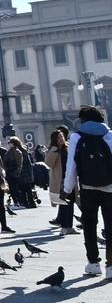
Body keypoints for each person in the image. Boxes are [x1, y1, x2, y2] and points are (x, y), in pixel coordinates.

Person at [63, 106, 112, 277]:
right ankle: (111, 266)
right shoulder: (109, 134)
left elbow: (71, 166)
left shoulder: (76, 137)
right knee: (111, 225)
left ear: (83, 120)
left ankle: (93, 263)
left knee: (89, 225)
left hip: (87, 187)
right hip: (109, 188)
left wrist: (67, 188)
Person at [46, 129, 76, 234]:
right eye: (59, 137)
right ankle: (65, 226)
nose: (61, 139)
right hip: (59, 180)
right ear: (54, 139)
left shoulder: (68, 148)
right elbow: (49, 163)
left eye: (62, 136)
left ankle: (68, 226)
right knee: (64, 202)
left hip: (69, 178)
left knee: (70, 202)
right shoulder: (53, 150)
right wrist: (55, 150)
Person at [3, 136, 31, 208]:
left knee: (15, 189)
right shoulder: (16, 151)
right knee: (20, 189)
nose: (8, 144)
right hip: (17, 173)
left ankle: (19, 202)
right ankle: (22, 202)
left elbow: (18, 163)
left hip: (14, 173)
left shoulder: (13, 151)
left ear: (13, 143)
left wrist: (16, 171)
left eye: (10, 142)